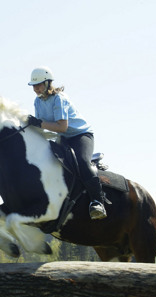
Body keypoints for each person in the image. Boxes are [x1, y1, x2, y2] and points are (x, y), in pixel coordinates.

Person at [27, 66, 108, 220]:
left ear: (48, 83)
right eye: (34, 86)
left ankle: (98, 201)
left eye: (39, 85)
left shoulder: (59, 98)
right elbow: (43, 128)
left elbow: (61, 127)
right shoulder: (37, 102)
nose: (36, 89)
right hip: (62, 138)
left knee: (82, 162)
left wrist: (38, 123)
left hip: (81, 135)